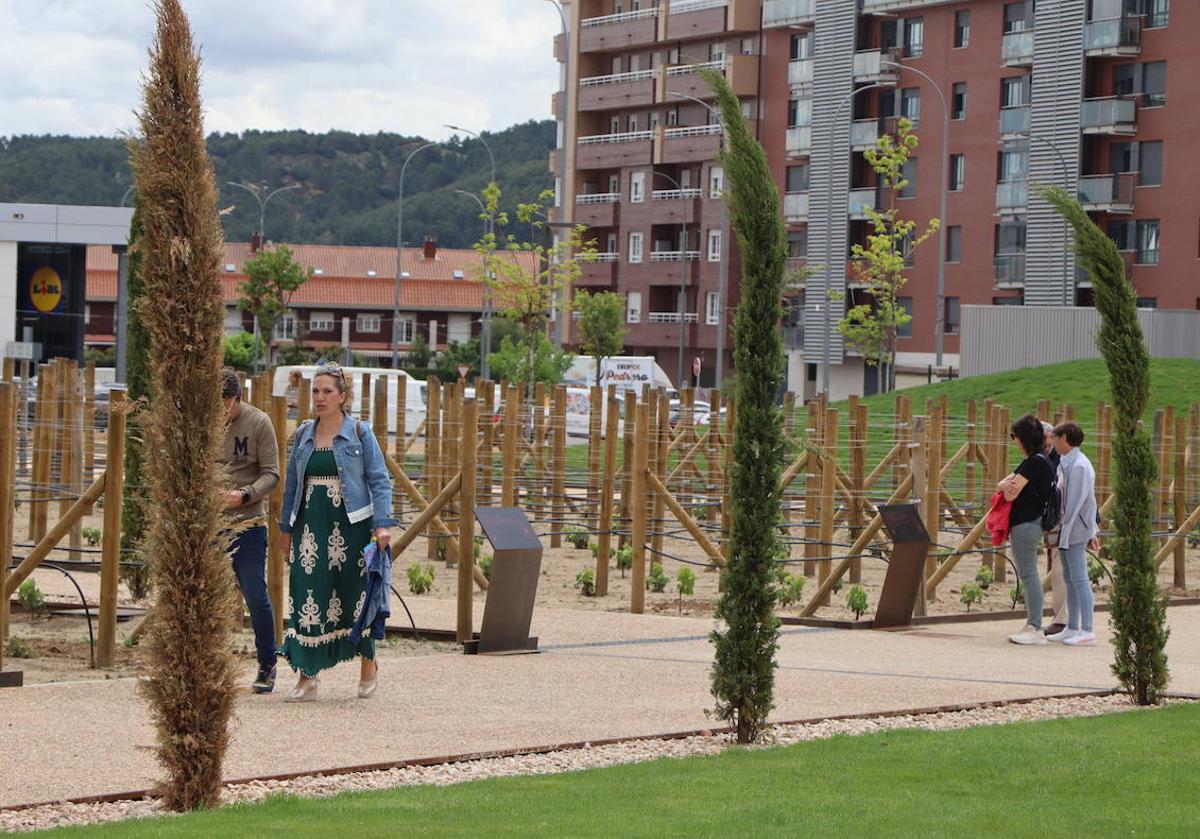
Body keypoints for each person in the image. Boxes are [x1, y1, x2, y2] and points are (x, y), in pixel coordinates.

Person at [278, 363, 394, 701]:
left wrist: (382, 524)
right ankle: (307, 675)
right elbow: (291, 487)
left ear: (343, 396)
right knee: (307, 595)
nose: (320, 397)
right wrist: (286, 528)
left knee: (356, 596)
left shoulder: (359, 432)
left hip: (352, 526)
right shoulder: (302, 435)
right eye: (315, 391)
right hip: (310, 527)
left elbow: (379, 479)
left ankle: (368, 663)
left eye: (327, 391)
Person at [218, 368, 281, 694]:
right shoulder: (204, 422)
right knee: (203, 597)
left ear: (236, 399)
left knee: (255, 595)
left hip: (248, 523)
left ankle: (268, 662)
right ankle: (208, 663)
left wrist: (244, 495)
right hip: (210, 523)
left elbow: (272, 474)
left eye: (225, 405)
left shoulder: (258, 423)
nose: (221, 413)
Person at [999, 414, 1057, 646]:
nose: (1014, 441)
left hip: (1027, 522)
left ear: (1023, 438)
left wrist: (1004, 486)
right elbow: (1005, 485)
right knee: (1028, 574)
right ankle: (1033, 623)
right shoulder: (1036, 460)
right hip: (1027, 522)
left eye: (1015, 436)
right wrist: (1004, 485)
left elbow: (1009, 490)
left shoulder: (1035, 462)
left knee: (1030, 575)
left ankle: (1035, 625)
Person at [1049, 421, 1100, 646]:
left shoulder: (1079, 466)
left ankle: (1087, 628)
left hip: (1075, 528)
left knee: (1079, 578)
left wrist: (1071, 529)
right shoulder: (1066, 462)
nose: (1052, 442)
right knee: (1070, 578)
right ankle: (1072, 626)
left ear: (1065, 439)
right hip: (1067, 527)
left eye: (1055, 437)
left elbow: (1078, 501)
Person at [1039, 422, 1069, 638]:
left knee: (1061, 572)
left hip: (1063, 521)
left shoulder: (1061, 462)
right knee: (1060, 570)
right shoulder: (1049, 459)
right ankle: (1064, 619)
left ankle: (1063, 620)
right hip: (1055, 520)